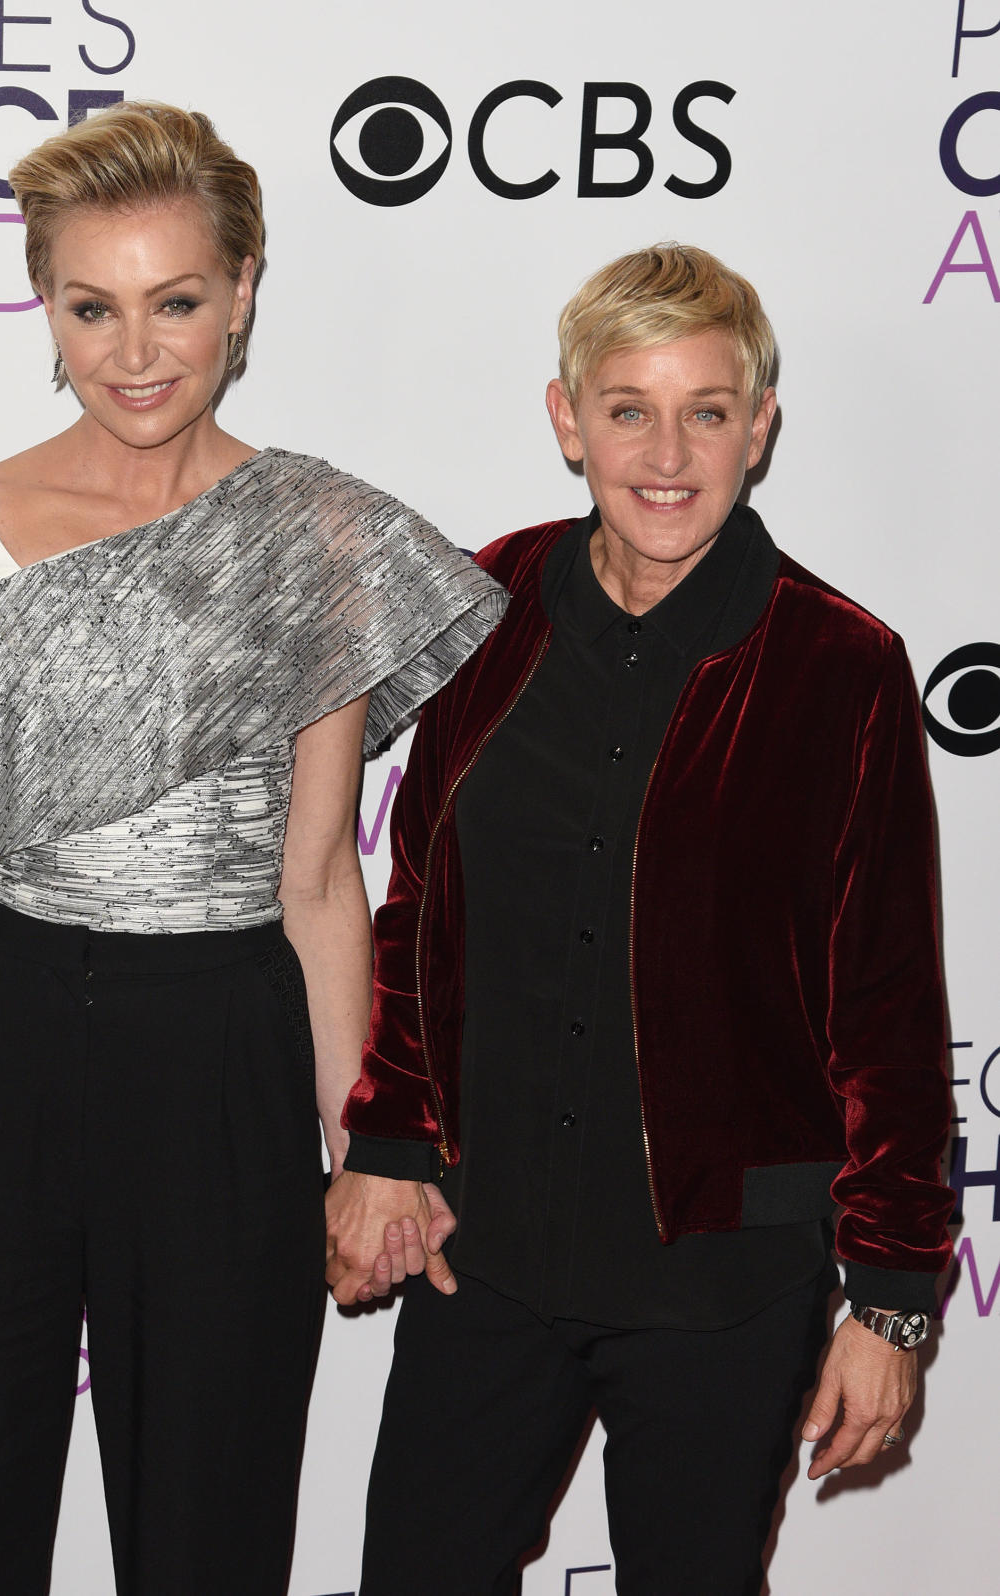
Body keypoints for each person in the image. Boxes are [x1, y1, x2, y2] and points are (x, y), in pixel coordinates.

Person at [0, 102, 506, 1596]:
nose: (137, 350)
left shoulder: (318, 537)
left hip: (224, 1054)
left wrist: (368, 1147)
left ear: (242, 294)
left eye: (176, 302)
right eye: (92, 307)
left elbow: (313, 881)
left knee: (211, 1543)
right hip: (0, 1052)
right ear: (45, 305)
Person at [325, 243, 954, 1596]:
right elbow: (420, 906)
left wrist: (891, 1301)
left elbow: (888, 1003)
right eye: (627, 408)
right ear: (566, 417)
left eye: (706, 411)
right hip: (480, 1266)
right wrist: (387, 1136)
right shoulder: (482, 606)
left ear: (759, 427)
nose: (666, 452)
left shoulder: (840, 666)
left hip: (723, 1287)